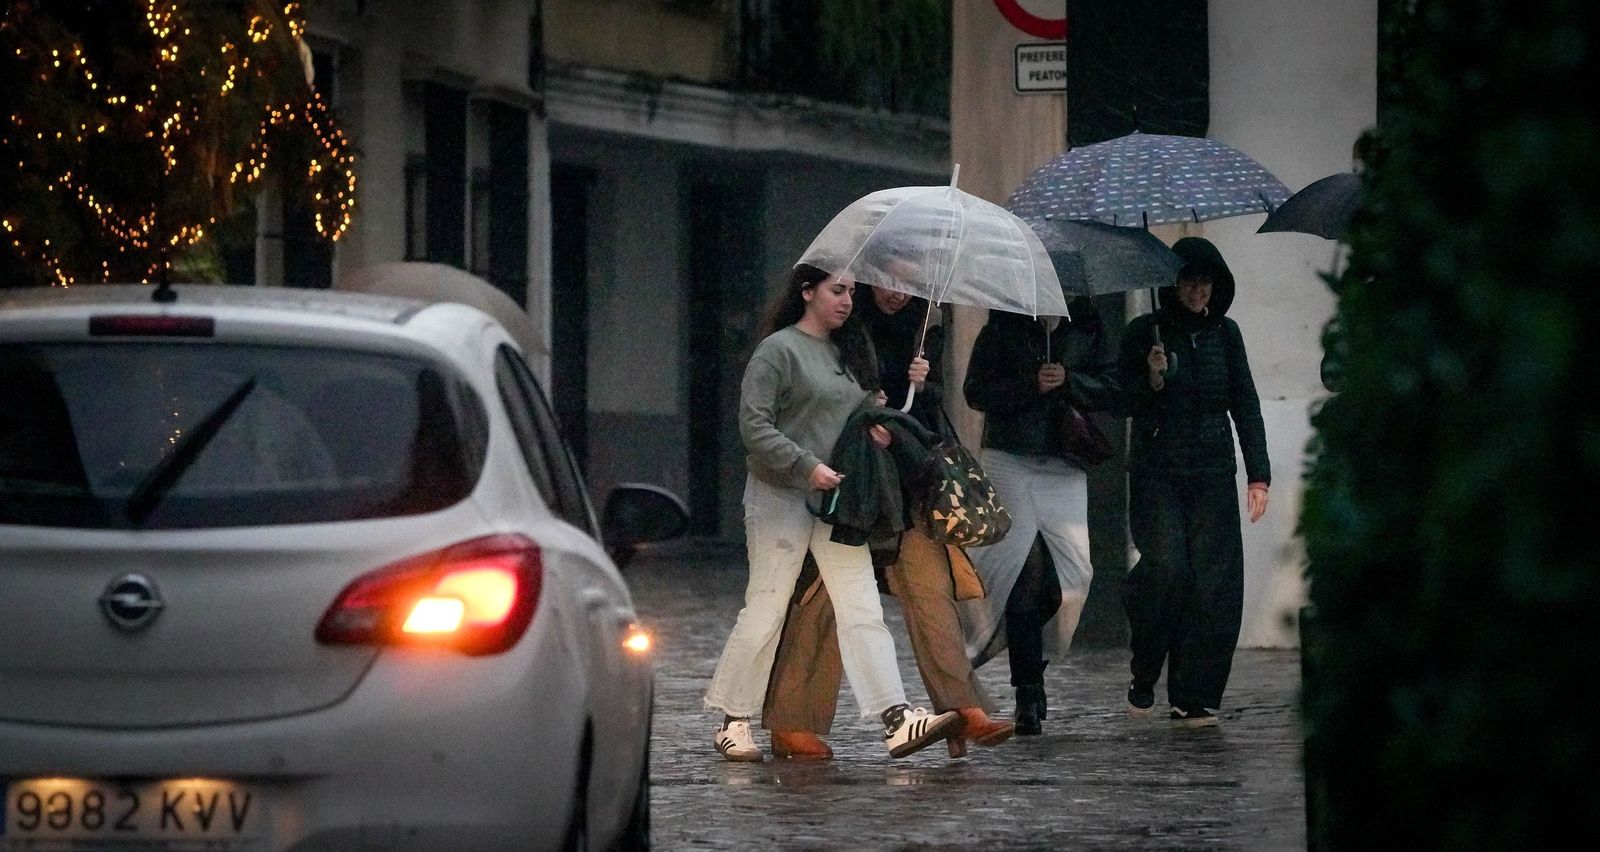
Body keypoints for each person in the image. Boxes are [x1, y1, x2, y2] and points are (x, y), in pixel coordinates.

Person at [703, 263, 962, 762]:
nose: (847, 301)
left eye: (850, 292)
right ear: (807, 292)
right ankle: (733, 720)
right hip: (779, 497)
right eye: (837, 291)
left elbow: (857, 414)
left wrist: (880, 418)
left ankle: (896, 718)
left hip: (839, 501)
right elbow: (754, 427)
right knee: (767, 607)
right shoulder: (777, 350)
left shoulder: (849, 351)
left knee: (861, 604)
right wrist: (806, 466)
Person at [761, 282, 1016, 760]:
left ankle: (962, 708)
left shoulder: (924, 327)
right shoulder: (840, 325)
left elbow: (926, 413)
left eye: (907, 285)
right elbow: (813, 399)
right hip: (849, 482)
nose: (898, 294)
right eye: (889, 282)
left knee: (931, 588)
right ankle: (792, 723)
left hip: (906, 480)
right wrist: (864, 406)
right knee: (823, 599)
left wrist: (923, 383)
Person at [1119, 236, 1270, 727]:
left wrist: (1259, 475)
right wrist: (1153, 378)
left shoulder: (1226, 334)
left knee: (1214, 586)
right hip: (1157, 473)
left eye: (1205, 282)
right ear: (1173, 283)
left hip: (1212, 472)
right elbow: (1122, 400)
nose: (1197, 291)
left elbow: (1245, 403)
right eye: (1188, 280)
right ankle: (1146, 667)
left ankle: (1194, 695)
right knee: (1168, 572)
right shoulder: (1145, 332)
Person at [959, 294, 1120, 735]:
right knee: (1019, 574)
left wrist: (1069, 381)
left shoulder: (1086, 327)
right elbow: (976, 392)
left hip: (1065, 460)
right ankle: (1027, 689)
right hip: (1009, 456)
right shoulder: (1002, 327)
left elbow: (1113, 388)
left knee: (1073, 577)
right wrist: (1031, 385)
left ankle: (1028, 654)